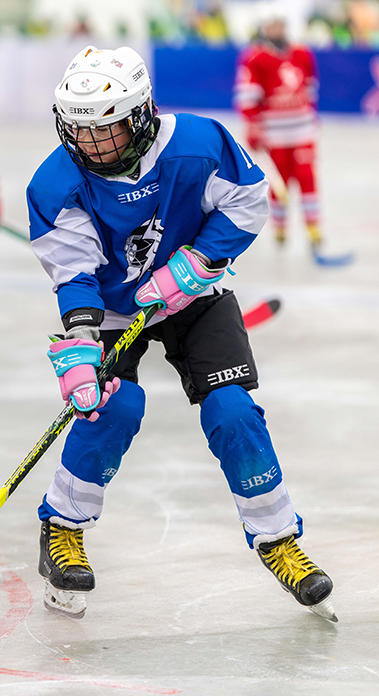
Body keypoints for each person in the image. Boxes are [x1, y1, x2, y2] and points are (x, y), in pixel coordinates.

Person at [26, 46, 335, 622]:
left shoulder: (197, 144)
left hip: (195, 290)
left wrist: (201, 258)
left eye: (107, 130)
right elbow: (74, 272)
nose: (92, 145)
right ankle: (62, 526)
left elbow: (247, 201)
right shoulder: (54, 184)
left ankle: (278, 539)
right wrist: (80, 340)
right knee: (111, 409)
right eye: (80, 131)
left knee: (233, 410)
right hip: (117, 307)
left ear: (141, 115)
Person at [235, 16, 324, 251]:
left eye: (281, 24)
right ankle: (280, 228)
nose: (277, 29)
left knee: (307, 178)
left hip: (302, 130)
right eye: (272, 24)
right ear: (264, 27)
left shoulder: (302, 53)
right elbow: (247, 95)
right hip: (274, 135)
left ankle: (314, 229)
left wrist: (311, 114)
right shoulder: (254, 58)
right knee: (279, 184)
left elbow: (311, 88)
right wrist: (253, 127)